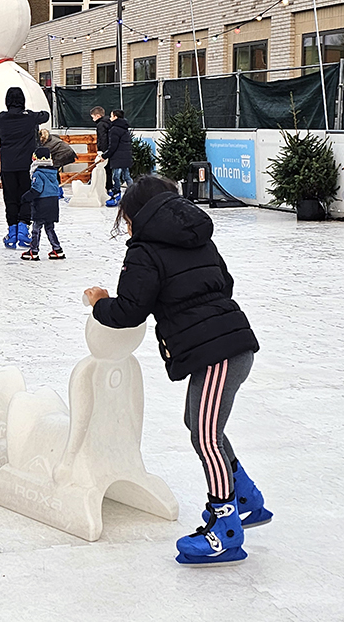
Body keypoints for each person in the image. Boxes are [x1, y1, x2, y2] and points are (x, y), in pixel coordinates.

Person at [84, 175, 270, 566]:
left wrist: (99, 302)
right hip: (227, 346)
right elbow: (225, 283)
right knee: (198, 424)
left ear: (135, 216)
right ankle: (245, 498)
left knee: (204, 437)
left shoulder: (143, 251)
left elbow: (129, 311)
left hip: (218, 352)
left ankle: (226, 529)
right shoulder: (198, 237)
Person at [0, 87, 50, 250]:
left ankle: (12, 232)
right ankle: (24, 230)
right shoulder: (30, 117)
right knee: (26, 196)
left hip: (8, 165)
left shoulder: (2, 118)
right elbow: (45, 115)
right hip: (26, 166)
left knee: (10, 198)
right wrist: (30, 113)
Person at [20, 147, 64, 261]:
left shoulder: (38, 173)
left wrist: (25, 198)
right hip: (53, 203)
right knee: (50, 227)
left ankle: (33, 250)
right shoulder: (54, 171)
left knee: (36, 228)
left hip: (41, 203)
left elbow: (37, 189)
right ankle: (57, 249)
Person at [103, 110, 135, 207]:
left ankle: (116, 194)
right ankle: (134, 193)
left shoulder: (114, 129)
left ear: (115, 117)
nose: (110, 118)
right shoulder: (125, 128)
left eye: (111, 116)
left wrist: (105, 155)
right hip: (126, 156)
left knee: (116, 176)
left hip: (118, 156)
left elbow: (113, 146)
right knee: (126, 176)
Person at [91, 106, 113, 198]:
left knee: (104, 170)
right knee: (109, 171)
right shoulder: (110, 122)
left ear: (98, 115)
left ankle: (108, 188)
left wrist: (102, 152)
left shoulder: (101, 125)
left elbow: (102, 138)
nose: (93, 119)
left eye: (93, 117)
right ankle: (110, 188)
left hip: (104, 150)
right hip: (111, 149)